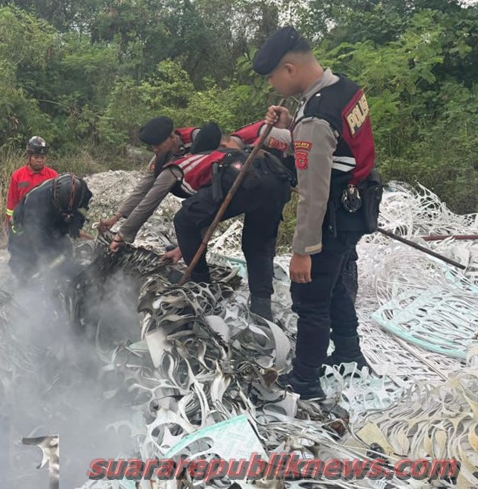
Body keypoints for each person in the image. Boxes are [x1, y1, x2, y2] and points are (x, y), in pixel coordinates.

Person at [256, 26, 382, 399]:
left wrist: (302, 250)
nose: (273, 86)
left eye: (272, 78)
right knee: (338, 285)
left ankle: (306, 381)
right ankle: (348, 354)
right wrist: (289, 127)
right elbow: (336, 146)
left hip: (332, 217)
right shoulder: (344, 88)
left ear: (289, 69)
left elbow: (313, 192)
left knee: (310, 299)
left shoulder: (315, 116)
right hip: (359, 206)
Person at [161, 127, 294, 321]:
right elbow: (208, 217)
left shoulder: (194, 162)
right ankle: (261, 305)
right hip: (278, 181)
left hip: (244, 178)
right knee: (258, 244)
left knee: (184, 219)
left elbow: (198, 216)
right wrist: (184, 248)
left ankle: (201, 283)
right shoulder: (250, 141)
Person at [98, 116, 199, 235]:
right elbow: (143, 188)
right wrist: (116, 217)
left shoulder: (196, 138)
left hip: (210, 186)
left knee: (186, 218)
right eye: (152, 146)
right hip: (187, 188)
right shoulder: (160, 158)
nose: (155, 149)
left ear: (172, 136)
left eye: (158, 145)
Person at [7, 173, 93, 281]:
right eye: (64, 211)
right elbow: (37, 238)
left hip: (53, 218)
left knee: (63, 250)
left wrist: (76, 222)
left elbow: (83, 208)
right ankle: (19, 281)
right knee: (24, 259)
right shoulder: (36, 201)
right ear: (54, 196)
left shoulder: (82, 190)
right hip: (23, 226)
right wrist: (48, 263)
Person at [5, 136, 59, 232]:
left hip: (47, 226)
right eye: (36, 157)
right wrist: (11, 226)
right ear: (28, 157)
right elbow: (11, 203)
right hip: (24, 225)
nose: (39, 160)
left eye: (42, 157)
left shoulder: (53, 176)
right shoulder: (17, 176)